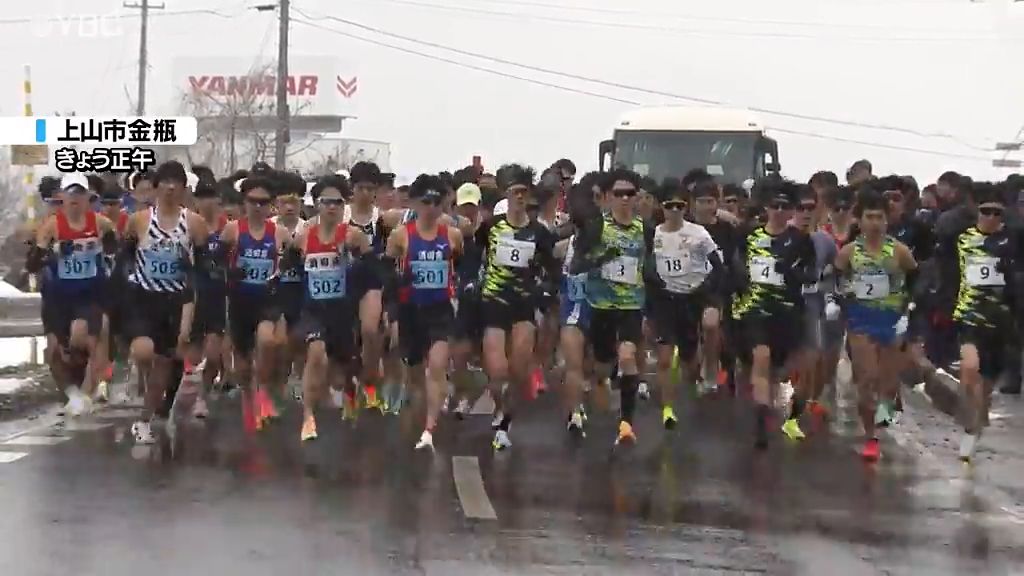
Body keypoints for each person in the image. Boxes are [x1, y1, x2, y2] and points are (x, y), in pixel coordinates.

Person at [120, 161, 210, 444]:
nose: (171, 187)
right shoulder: (139, 220)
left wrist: (191, 312)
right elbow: (125, 259)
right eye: (166, 182)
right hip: (143, 298)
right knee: (145, 351)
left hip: (176, 301)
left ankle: (144, 421)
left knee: (163, 365)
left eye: (177, 182)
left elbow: (202, 272)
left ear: (184, 189)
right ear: (156, 187)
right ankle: (144, 382)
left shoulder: (194, 224)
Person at [931, 182, 1018, 462]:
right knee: (969, 370)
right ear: (977, 212)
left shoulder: (1015, 241)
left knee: (986, 388)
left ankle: (976, 424)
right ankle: (970, 430)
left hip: (1003, 322)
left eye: (997, 213)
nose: (991, 218)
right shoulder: (962, 239)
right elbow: (948, 274)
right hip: (968, 317)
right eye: (986, 211)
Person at [476, 164, 558, 451]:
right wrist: (469, 283)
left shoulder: (539, 232)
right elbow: (476, 257)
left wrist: (547, 291)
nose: (520, 197)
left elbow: (551, 267)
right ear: (507, 195)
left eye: (525, 192)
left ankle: (506, 423)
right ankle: (499, 408)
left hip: (524, 303)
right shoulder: (491, 226)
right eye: (515, 192)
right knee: (498, 369)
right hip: (494, 300)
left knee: (519, 368)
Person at [731, 177, 816, 449]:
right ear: (765, 207)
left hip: (788, 313)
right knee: (761, 358)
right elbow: (736, 267)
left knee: (785, 370)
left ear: (792, 210)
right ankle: (760, 422)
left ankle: (786, 410)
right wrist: (738, 285)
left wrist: (790, 272)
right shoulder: (749, 236)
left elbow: (811, 274)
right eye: (774, 205)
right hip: (755, 310)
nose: (779, 211)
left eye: (784, 206)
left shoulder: (801, 240)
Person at [571, 168, 654, 446]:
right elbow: (576, 266)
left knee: (628, 356)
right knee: (603, 368)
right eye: (619, 194)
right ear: (607, 197)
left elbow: (652, 267)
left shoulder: (646, 229)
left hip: (632, 306)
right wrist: (601, 257)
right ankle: (599, 395)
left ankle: (626, 424)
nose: (625, 199)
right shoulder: (596, 228)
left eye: (630, 194)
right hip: (601, 306)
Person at [835, 188, 917, 461]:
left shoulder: (899, 251)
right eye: (869, 217)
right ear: (859, 220)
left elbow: (917, 280)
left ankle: (888, 405)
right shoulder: (849, 252)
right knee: (866, 377)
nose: (874, 223)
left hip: (892, 320)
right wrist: (837, 300)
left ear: (886, 220)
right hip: (860, 320)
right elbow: (835, 280)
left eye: (879, 217)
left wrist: (910, 309)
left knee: (888, 381)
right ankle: (870, 436)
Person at [26, 172, 118, 416]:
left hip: (89, 294)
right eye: (70, 193)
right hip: (58, 296)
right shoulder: (52, 226)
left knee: (86, 337)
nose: (75, 199)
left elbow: (114, 250)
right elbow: (32, 265)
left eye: (80, 193)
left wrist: (106, 250)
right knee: (55, 349)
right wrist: (52, 251)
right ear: (62, 198)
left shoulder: (101, 223)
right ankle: (72, 394)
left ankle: (90, 389)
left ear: (88, 197)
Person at [386, 174, 464, 450]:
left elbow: (458, 265)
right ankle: (414, 410)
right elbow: (388, 274)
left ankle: (430, 428)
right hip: (411, 310)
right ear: (416, 203)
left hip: (440, 309)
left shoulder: (452, 236)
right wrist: (393, 310)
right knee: (415, 372)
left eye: (437, 201)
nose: (432, 207)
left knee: (438, 366)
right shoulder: (400, 236)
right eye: (427, 201)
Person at [293, 175, 371, 441]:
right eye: (326, 202)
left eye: (337, 202)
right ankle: (307, 416)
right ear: (316, 204)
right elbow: (289, 269)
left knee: (343, 371)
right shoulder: (304, 237)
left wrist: (353, 258)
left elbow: (372, 272)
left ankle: (349, 389)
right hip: (314, 310)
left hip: (343, 312)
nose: (332, 207)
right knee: (316, 354)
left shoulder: (353, 236)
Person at [647, 178, 724, 430]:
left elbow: (718, 265)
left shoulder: (698, 233)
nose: (675, 211)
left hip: (692, 298)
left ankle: (695, 380)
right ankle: (667, 409)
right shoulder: (654, 234)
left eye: (680, 206)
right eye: (670, 206)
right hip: (666, 301)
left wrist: (707, 288)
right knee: (665, 358)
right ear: (662, 207)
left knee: (689, 358)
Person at [217, 176, 292, 431]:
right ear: (244, 202)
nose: (257, 207)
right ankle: (249, 401)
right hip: (240, 302)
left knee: (267, 341)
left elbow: (292, 264)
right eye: (252, 201)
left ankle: (263, 394)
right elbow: (215, 264)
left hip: (267, 302)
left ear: (271, 205)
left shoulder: (279, 233)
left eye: (263, 202)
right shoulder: (233, 230)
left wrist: (282, 274)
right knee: (244, 364)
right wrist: (229, 273)